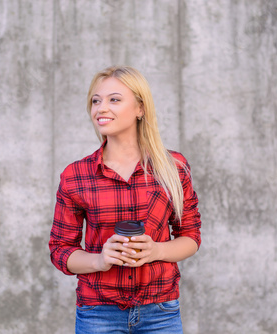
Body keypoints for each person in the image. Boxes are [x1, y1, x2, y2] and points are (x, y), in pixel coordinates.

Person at [49, 66, 201, 334]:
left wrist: (157, 250)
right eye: (96, 101)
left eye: (114, 99)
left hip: (161, 312)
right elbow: (60, 250)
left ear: (140, 109)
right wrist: (100, 260)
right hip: (98, 313)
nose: (101, 108)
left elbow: (190, 236)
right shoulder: (75, 176)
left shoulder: (174, 167)